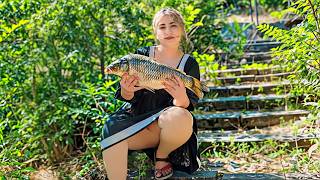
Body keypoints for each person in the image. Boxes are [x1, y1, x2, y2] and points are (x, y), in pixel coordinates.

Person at [101, 7, 202, 180]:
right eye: (162, 27)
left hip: (169, 130)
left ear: (182, 29)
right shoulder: (140, 56)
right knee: (110, 128)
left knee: (181, 116)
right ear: (155, 32)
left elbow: (186, 106)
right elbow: (128, 98)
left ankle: (162, 157)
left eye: (173, 25)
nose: (168, 31)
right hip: (140, 125)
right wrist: (127, 89)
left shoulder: (189, 63)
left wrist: (180, 96)